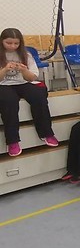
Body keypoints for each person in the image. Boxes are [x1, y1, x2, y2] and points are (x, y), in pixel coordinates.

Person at [0, 28, 58, 156]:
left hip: (23, 83)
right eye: (8, 43)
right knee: (8, 101)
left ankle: (46, 133)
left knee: (39, 96)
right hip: (3, 85)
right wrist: (4, 69)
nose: (13, 46)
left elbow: (32, 77)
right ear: (1, 41)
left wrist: (24, 70)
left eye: (16, 43)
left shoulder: (26, 54)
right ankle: (12, 141)